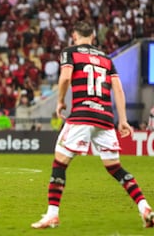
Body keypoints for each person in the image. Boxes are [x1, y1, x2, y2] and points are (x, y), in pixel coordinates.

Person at [31, 21, 154, 229]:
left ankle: (52, 214)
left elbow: (65, 78)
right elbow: (119, 90)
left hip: (81, 115)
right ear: (93, 37)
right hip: (105, 118)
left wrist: (60, 101)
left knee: (60, 162)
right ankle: (145, 207)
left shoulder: (70, 52)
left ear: (75, 36)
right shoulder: (106, 59)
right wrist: (122, 120)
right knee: (115, 167)